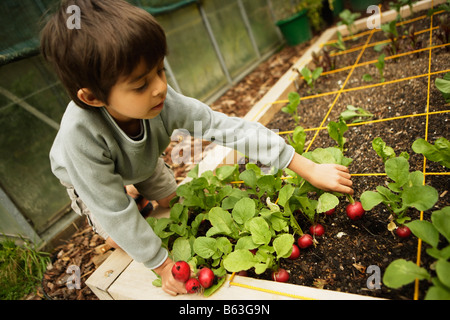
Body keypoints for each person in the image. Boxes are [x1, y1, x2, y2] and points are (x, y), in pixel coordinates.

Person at [41, 0, 353, 296]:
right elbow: (112, 210)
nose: (160, 87)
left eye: (160, 70)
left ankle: (136, 190)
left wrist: (307, 166)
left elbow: (227, 128)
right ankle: (124, 206)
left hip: (144, 160)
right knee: (118, 229)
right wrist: (163, 265)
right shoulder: (80, 141)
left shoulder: (162, 100)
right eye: (140, 84)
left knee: (171, 200)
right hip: (85, 177)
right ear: (93, 98)